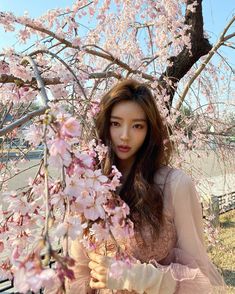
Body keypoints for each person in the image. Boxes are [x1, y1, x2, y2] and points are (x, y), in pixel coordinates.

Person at [64, 79, 225, 293]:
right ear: (105, 126)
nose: (124, 135)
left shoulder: (174, 185)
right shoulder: (86, 186)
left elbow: (200, 283)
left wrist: (140, 277)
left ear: (149, 131)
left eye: (137, 126)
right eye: (116, 123)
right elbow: (75, 275)